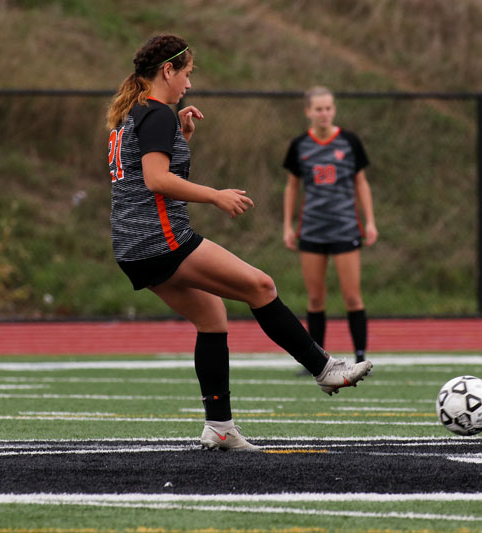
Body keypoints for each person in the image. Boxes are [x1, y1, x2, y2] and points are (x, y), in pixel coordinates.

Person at [105, 35, 372, 451]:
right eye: (187, 75)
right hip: (161, 239)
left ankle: (220, 427)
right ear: (168, 71)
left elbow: (148, 174)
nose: (188, 86)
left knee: (212, 316)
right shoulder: (155, 114)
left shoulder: (137, 114)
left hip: (133, 245)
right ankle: (324, 369)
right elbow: (157, 181)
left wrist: (183, 136)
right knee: (260, 286)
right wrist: (216, 195)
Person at [282, 86, 378, 366]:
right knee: (315, 298)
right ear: (308, 112)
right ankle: (318, 360)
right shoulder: (300, 145)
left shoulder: (349, 141)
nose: (324, 113)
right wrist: (288, 226)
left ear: (334, 110)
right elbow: (291, 187)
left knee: (352, 296)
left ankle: (360, 357)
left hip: (345, 228)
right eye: (318, 109)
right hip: (312, 229)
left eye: (328, 108)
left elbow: (361, 183)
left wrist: (370, 221)